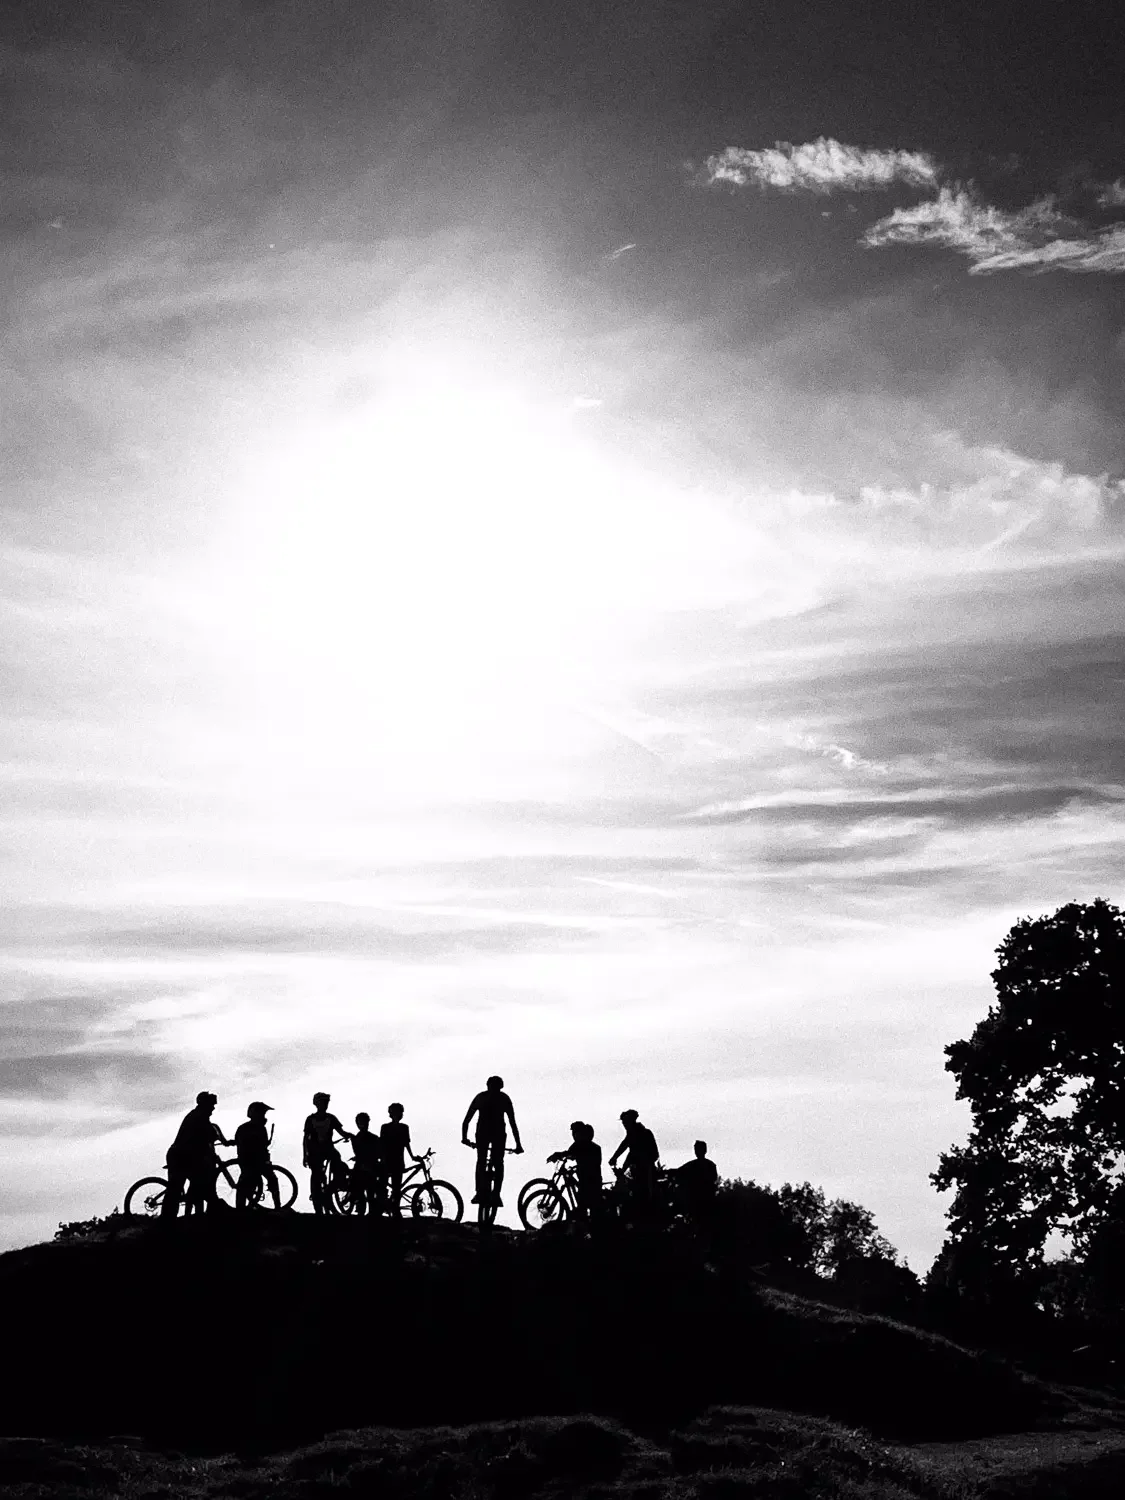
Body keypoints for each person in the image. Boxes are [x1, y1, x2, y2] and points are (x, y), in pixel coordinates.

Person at [461, 1075, 523, 1220]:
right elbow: (512, 1122)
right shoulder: (504, 1098)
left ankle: (481, 1192)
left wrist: (464, 1137)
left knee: (482, 1161)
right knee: (497, 1162)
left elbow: (467, 1120)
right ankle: (495, 1193)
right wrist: (518, 1144)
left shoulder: (481, 1097)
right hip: (496, 1133)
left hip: (485, 1133)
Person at [162, 1091, 231, 1217]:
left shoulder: (200, 1116)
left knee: (198, 1183)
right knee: (176, 1189)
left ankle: (198, 1210)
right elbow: (210, 1133)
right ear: (205, 1105)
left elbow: (211, 1133)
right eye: (212, 1105)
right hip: (180, 1156)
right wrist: (221, 1139)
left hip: (186, 1156)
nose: (213, 1108)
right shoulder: (198, 1117)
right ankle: (167, 1220)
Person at [303, 1091, 350, 1214]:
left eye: (326, 1102)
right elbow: (305, 1139)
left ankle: (330, 1189)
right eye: (323, 1102)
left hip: (328, 1149)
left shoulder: (331, 1118)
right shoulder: (311, 1119)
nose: (325, 1105)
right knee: (316, 1175)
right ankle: (318, 1197)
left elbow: (341, 1131)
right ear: (317, 1104)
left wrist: (349, 1136)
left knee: (338, 1166)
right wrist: (305, 1155)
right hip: (315, 1151)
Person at [548, 1120, 602, 1222]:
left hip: (589, 1181)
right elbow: (571, 1154)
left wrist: (558, 1155)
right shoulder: (587, 1146)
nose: (573, 1135)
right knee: (587, 1207)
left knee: (585, 1206)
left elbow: (572, 1154)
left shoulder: (584, 1145)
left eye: (575, 1132)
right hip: (589, 1180)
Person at [608, 1108, 660, 1213]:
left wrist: (619, 1164)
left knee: (644, 1194)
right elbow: (625, 1146)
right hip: (639, 1168)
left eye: (625, 1123)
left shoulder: (639, 1133)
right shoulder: (634, 1132)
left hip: (645, 1168)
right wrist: (615, 1158)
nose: (624, 1125)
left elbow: (631, 1152)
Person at [234, 1102, 280, 1210]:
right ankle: (242, 1208)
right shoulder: (246, 1128)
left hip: (258, 1160)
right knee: (248, 1182)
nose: (264, 1117)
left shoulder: (257, 1128)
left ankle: (276, 1206)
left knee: (270, 1180)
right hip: (250, 1161)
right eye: (262, 1113)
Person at [378, 1102, 421, 1216]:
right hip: (392, 1161)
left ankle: (392, 1209)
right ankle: (391, 1209)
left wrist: (412, 1157)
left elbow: (405, 1144)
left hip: (393, 1161)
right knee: (393, 1187)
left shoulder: (388, 1127)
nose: (400, 1114)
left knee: (392, 1188)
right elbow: (406, 1144)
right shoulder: (400, 1128)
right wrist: (412, 1157)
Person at [674, 1140, 719, 1225]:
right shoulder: (710, 1165)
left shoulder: (693, 1165)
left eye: (697, 1149)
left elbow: (678, 1172)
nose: (696, 1151)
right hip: (702, 1201)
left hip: (700, 1201)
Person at [350, 1112, 381, 1215]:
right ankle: (368, 1210)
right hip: (367, 1166)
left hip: (367, 1167)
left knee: (364, 1191)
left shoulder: (357, 1138)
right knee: (367, 1191)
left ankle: (365, 1210)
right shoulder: (372, 1137)